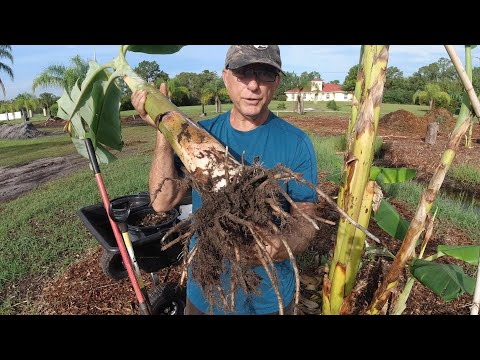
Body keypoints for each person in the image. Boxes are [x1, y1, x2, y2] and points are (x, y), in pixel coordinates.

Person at [131, 45, 318, 315]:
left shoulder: (297, 143)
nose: (253, 85)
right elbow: (162, 202)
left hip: (268, 301)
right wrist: (163, 132)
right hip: (205, 292)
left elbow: (306, 216)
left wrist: (283, 245)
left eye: (265, 73)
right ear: (226, 76)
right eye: (243, 72)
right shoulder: (199, 135)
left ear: (276, 81)